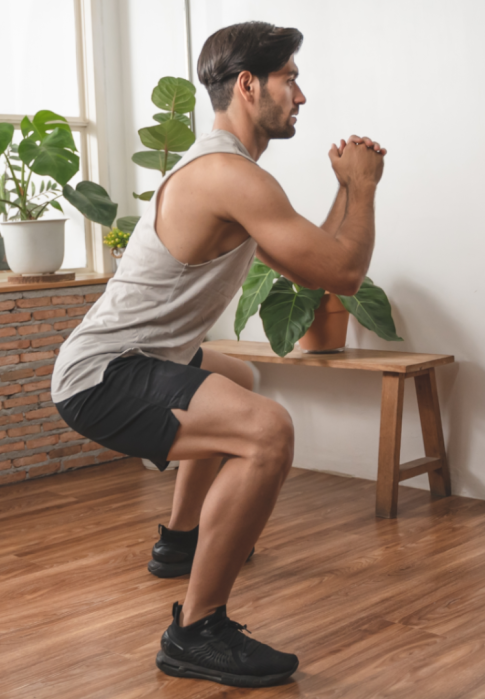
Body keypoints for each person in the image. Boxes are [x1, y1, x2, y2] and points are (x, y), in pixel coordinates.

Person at [50, 20, 386, 688]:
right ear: (247, 84)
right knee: (267, 432)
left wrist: (345, 190)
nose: (301, 94)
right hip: (102, 376)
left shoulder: (227, 174)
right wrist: (367, 187)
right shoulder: (229, 176)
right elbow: (345, 275)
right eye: (290, 78)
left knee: (237, 373)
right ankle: (195, 631)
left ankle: (179, 540)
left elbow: (311, 266)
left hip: (130, 358)